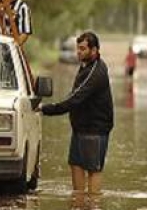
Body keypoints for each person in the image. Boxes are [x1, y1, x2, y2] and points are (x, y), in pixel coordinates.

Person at [38, 32, 114, 194]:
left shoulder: (96, 71)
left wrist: (46, 109)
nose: (78, 52)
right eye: (77, 48)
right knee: (76, 164)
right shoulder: (86, 66)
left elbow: (75, 98)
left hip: (94, 129)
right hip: (81, 128)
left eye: (82, 49)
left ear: (94, 50)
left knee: (93, 170)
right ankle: (78, 206)